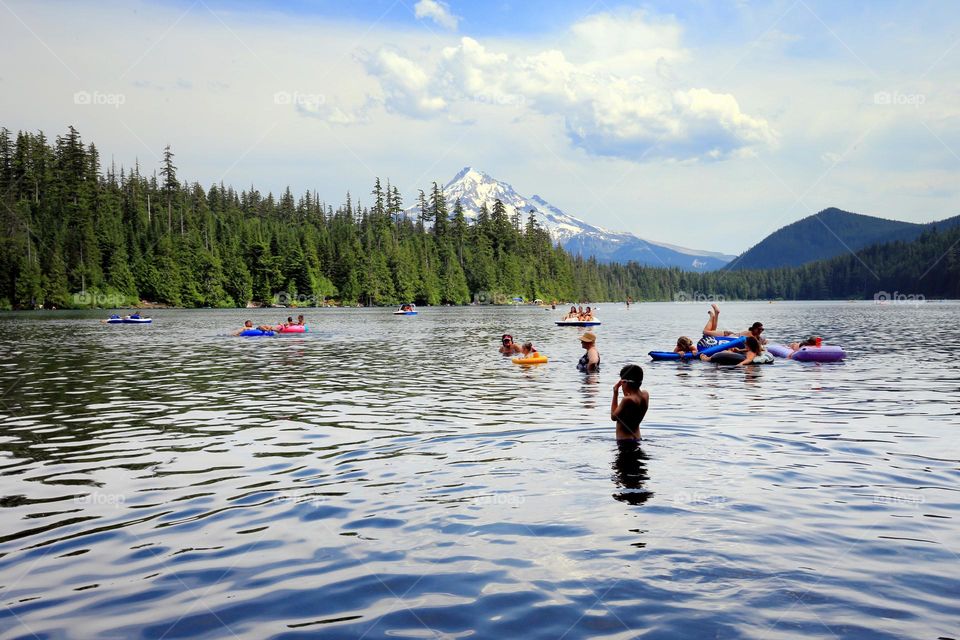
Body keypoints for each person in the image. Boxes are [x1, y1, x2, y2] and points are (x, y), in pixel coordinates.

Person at [611, 364, 649, 442]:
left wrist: (615, 393)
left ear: (625, 382)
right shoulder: (645, 395)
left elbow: (613, 417)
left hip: (624, 441)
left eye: (621, 383)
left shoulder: (627, 400)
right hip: (638, 438)